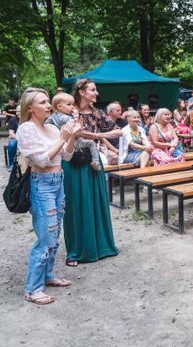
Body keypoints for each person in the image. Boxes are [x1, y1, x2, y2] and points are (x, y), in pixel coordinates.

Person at [16, 88, 81, 304]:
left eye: (47, 101)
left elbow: (67, 156)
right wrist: (63, 137)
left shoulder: (52, 128)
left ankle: (49, 276)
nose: (48, 105)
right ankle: (32, 289)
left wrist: (71, 136)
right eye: (43, 102)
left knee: (55, 232)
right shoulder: (26, 129)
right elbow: (42, 160)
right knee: (45, 237)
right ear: (30, 108)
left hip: (57, 182)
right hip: (41, 184)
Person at [62, 78, 120, 267]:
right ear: (81, 92)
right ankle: (76, 251)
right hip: (73, 163)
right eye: (93, 90)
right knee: (76, 205)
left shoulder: (98, 113)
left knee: (96, 203)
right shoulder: (68, 110)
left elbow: (119, 131)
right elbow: (69, 134)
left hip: (93, 162)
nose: (97, 93)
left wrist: (96, 135)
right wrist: (92, 135)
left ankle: (101, 246)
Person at [46, 92, 102, 171]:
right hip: (72, 141)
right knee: (91, 143)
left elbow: (46, 124)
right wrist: (76, 117)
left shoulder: (52, 116)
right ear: (59, 106)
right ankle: (95, 161)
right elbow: (76, 127)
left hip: (61, 143)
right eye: (69, 104)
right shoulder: (67, 117)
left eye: (72, 104)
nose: (72, 107)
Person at [7, 105, 20, 171]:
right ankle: (11, 164)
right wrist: (18, 138)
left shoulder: (28, 118)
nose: (19, 113)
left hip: (27, 138)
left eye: (20, 111)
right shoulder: (13, 119)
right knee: (12, 144)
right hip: (16, 138)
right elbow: (11, 133)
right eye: (17, 111)